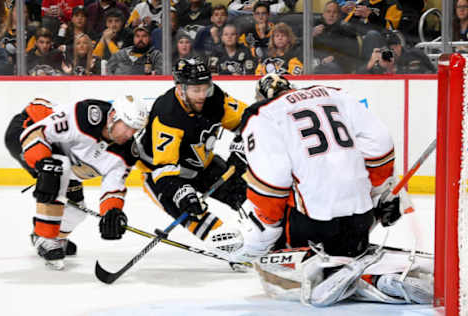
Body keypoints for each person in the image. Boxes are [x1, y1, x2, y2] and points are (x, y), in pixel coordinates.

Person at [208, 73, 432, 306]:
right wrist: (380, 194)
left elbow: (271, 183)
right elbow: (380, 143)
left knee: (269, 270)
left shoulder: (262, 114)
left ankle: (337, 278)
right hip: (360, 220)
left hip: (311, 224)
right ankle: (376, 275)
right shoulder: (335, 95)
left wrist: (262, 234)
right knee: (351, 248)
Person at [4, 95, 149, 270]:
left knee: (76, 211)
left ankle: (54, 236)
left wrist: (112, 211)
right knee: (58, 169)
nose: (129, 134)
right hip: (27, 126)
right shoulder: (84, 116)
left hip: (62, 155)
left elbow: (113, 186)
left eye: (135, 129)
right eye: (127, 126)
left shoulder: (126, 153)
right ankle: (45, 237)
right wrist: (43, 163)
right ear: (112, 117)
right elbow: (37, 132)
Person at [135, 56, 249, 244]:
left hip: (202, 164)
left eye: (205, 88)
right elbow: (164, 171)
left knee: (247, 196)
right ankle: (230, 247)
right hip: (161, 175)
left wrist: (240, 149)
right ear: (180, 89)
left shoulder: (216, 99)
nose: (202, 95)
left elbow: (250, 121)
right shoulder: (168, 115)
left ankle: (264, 240)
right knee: (197, 215)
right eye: (196, 90)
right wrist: (182, 193)